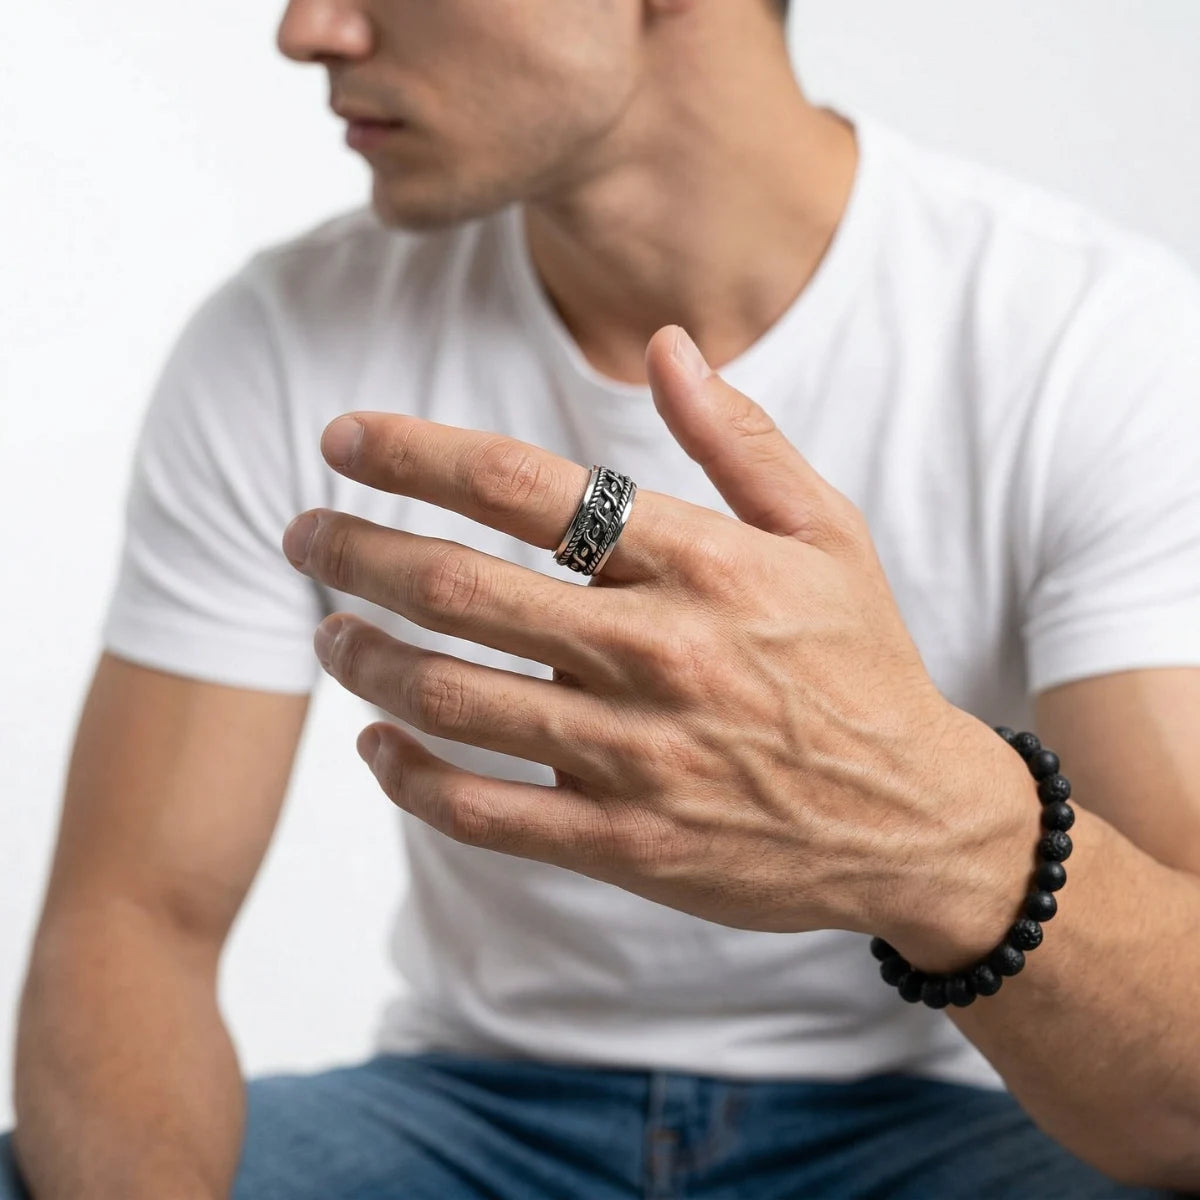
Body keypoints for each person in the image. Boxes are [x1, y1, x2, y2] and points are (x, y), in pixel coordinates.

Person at [5, 0, 1200, 1196]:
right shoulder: (281, 335)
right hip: (467, 1119)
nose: (308, 29)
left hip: (939, 1127)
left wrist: (938, 827)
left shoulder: (1094, 345)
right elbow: (133, 923)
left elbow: (1178, 1100)